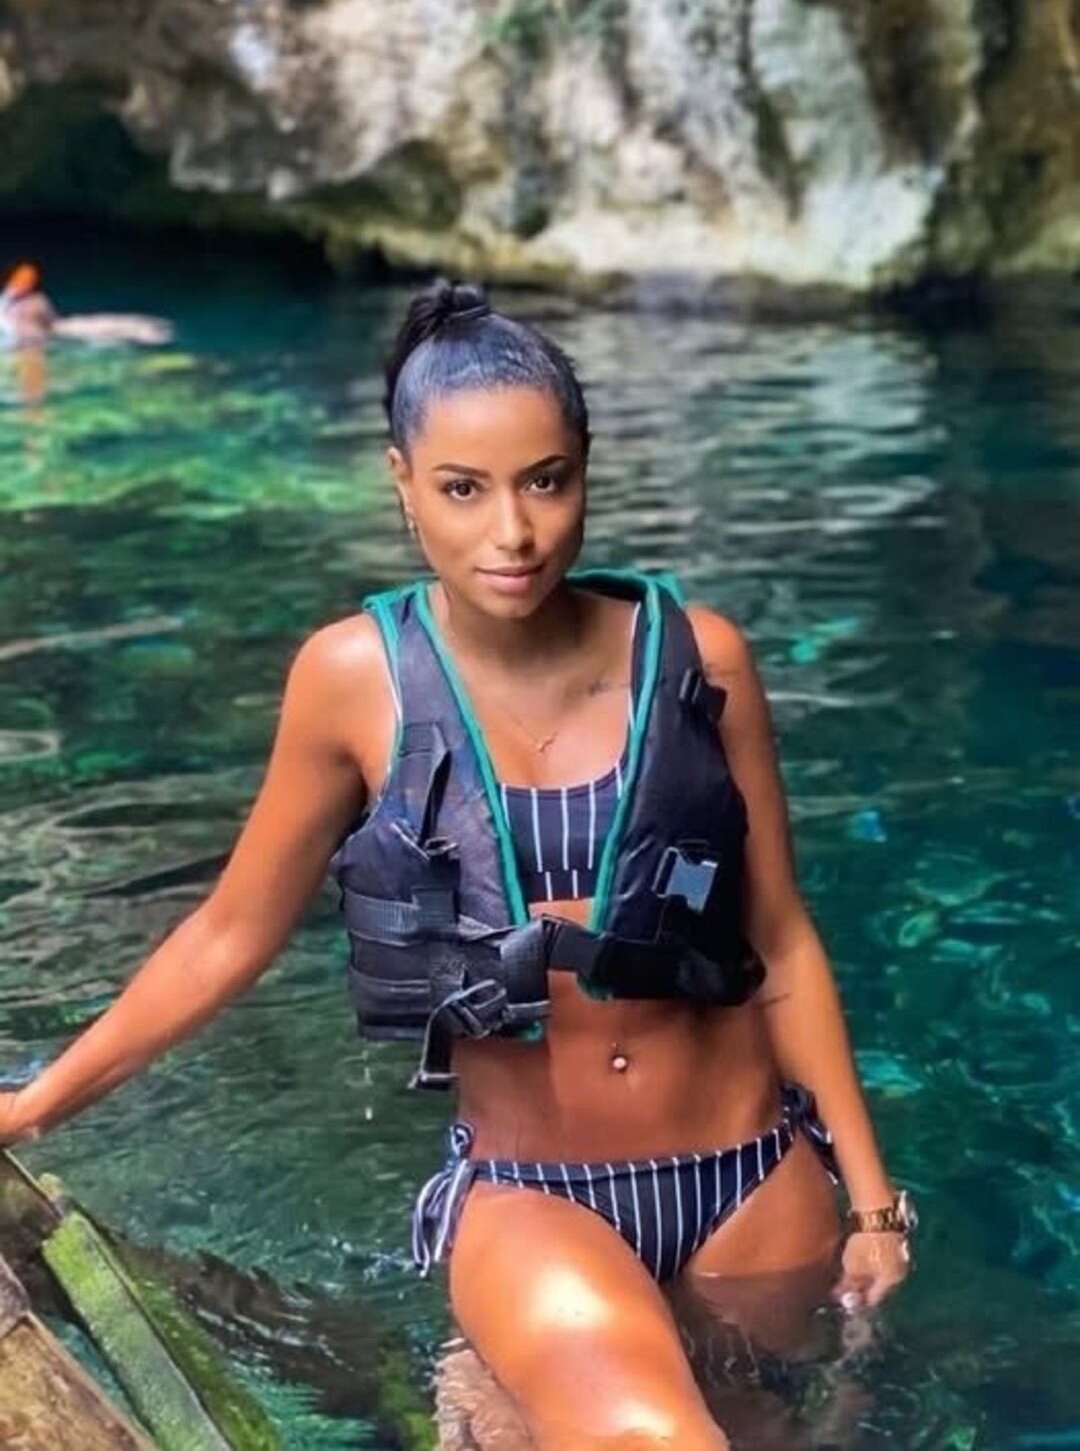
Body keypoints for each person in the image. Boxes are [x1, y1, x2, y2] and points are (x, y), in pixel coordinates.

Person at [0, 281, 914, 1450]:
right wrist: (34, 1105)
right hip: (538, 1199)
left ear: (586, 467)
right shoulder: (351, 679)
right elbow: (230, 931)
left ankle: (493, 1402)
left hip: (754, 1188)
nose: (513, 533)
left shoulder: (702, 657)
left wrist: (874, 1206)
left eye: (546, 480)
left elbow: (778, 937)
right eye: (463, 488)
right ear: (401, 482)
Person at [0, 261, 173, 349]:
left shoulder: (27, 304)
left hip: (51, 333)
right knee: (107, 328)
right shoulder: (34, 301)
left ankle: (148, 334)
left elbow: (36, 334)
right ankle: (148, 332)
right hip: (55, 328)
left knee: (105, 331)